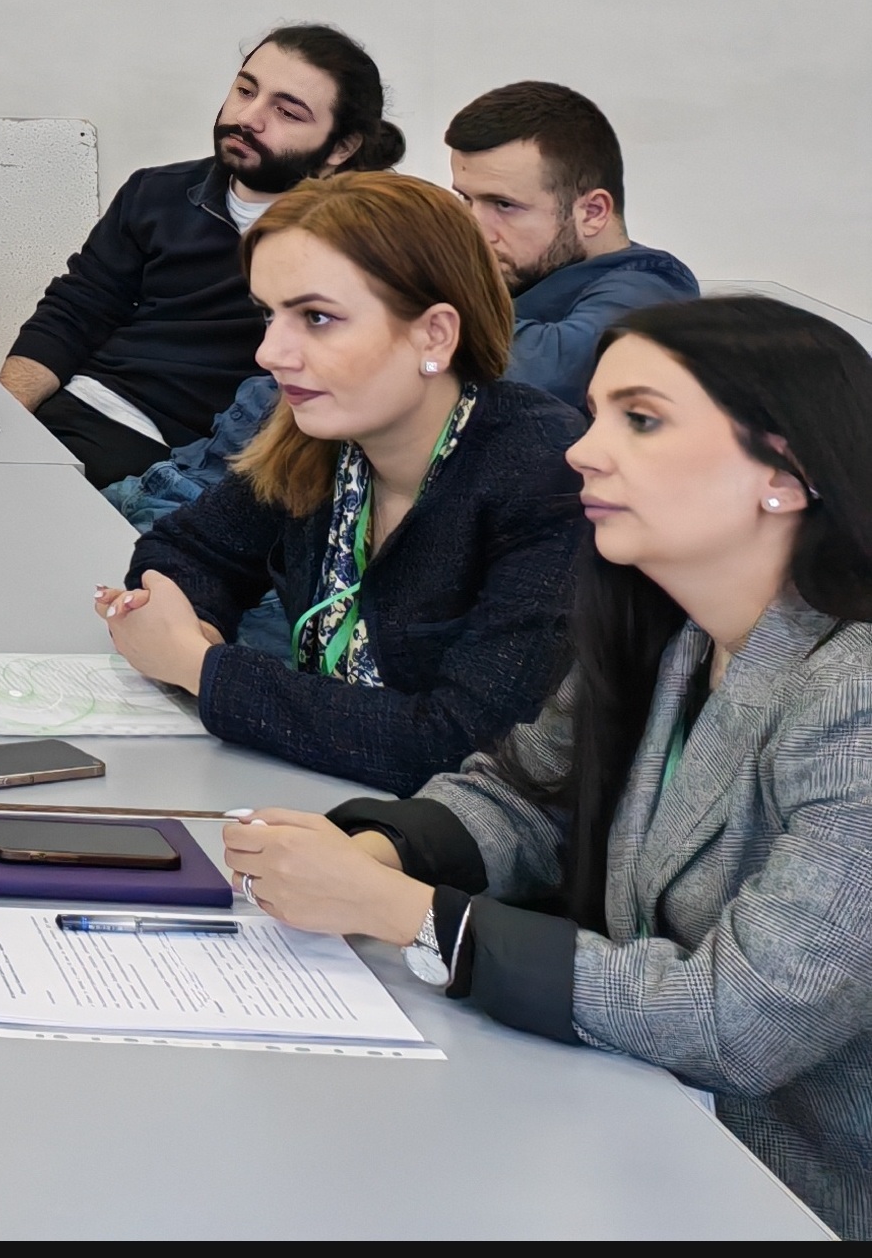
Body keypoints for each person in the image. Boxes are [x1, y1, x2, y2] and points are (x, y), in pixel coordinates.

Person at [223, 297, 872, 1237]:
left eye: (640, 420)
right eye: (597, 414)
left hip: (791, 1192)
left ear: (786, 473)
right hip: (641, 1125)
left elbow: (742, 1019)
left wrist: (407, 913)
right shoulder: (677, 629)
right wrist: (374, 854)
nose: (583, 451)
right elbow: (529, 794)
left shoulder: (853, 696)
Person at [92, 171, 586, 794]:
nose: (270, 353)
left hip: (426, 836)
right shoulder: (321, 436)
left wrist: (200, 668)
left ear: (435, 334)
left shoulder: (545, 472)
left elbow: (463, 744)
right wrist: (191, 621)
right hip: (315, 795)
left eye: (317, 318)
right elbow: (188, 549)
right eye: (269, 314)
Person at [109, 79, 699, 534]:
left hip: (281, 511)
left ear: (592, 211)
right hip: (201, 476)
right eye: (464, 199)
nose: (475, 226)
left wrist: (406, 298)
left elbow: (548, 369)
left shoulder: (647, 283)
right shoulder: (511, 270)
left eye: (504, 205)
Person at [0, 25, 404, 489]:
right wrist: (2, 418)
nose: (248, 118)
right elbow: (77, 309)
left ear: (342, 147)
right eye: (245, 90)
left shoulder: (355, 242)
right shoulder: (156, 192)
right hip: (81, 410)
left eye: (287, 112)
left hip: (195, 462)